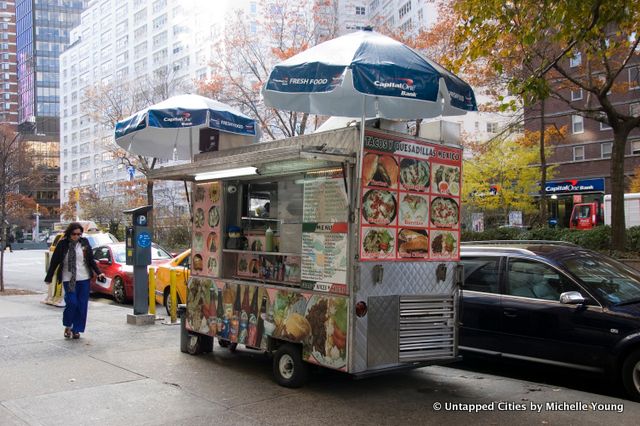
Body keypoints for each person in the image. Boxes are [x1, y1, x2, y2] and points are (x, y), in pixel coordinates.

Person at [44, 222, 105, 339]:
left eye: (79, 234)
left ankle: (76, 329)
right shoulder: (62, 244)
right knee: (72, 302)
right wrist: (49, 277)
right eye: (74, 234)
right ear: (69, 233)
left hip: (84, 278)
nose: (76, 236)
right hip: (69, 278)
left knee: (82, 305)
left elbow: (91, 260)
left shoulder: (84, 243)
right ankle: (68, 324)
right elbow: (54, 262)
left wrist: (99, 272)